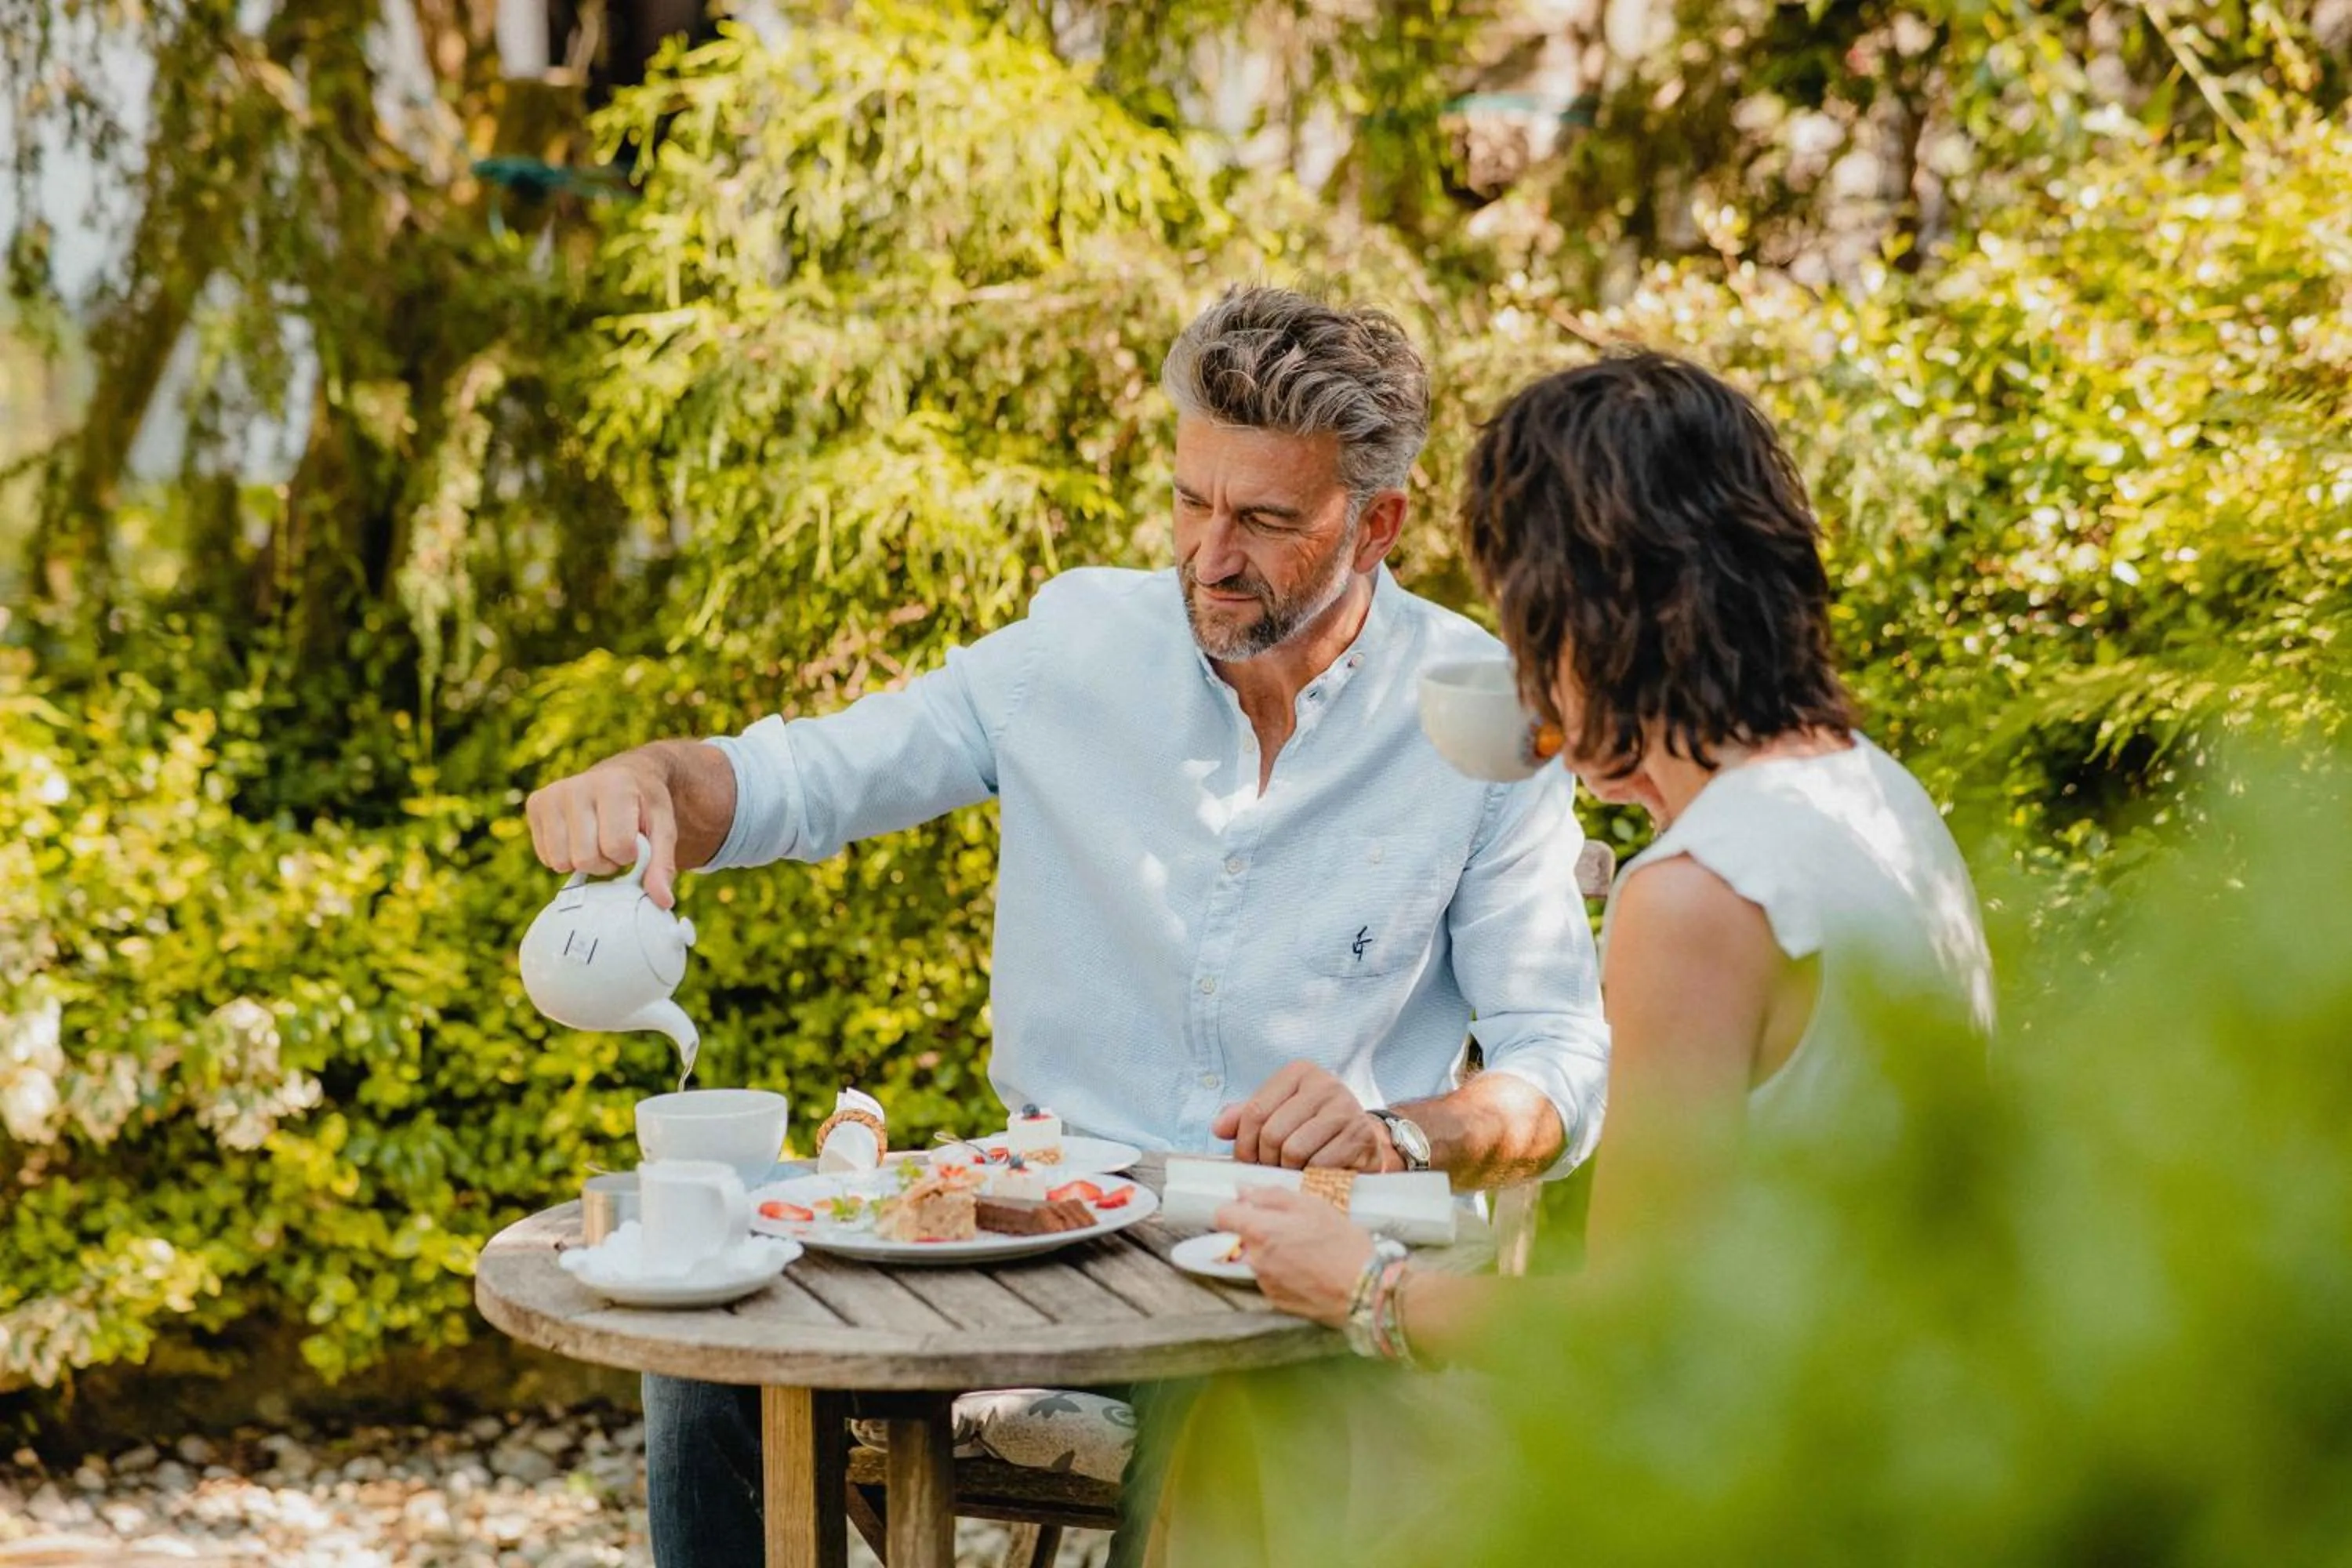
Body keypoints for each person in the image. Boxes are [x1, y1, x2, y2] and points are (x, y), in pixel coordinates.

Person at [522, 285, 1613, 1567]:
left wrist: (1393, 1135)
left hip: (1285, 1259)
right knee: (714, 1365)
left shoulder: (1474, 715)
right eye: (1191, 501)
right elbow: (800, 781)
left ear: (1377, 523)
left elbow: (1563, 1066)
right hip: (1035, 1219)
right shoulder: (1071, 647)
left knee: (1224, 1422)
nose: (1210, 556)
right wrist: (650, 783)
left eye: (1264, 519)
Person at [1157, 351, 1995, 1562]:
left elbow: (1639, 1336)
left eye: (1518, 611)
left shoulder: (1697, 897)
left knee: (1274, 1422)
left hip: (1746, 1498)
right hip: (1906, 1458)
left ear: (1583, 612)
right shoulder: (1877, 798)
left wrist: (1362, 1282)